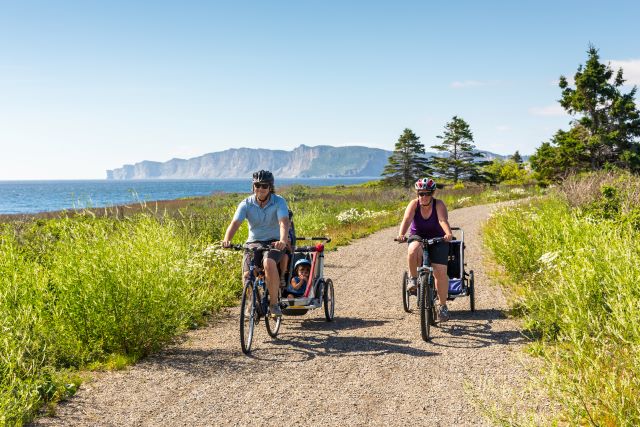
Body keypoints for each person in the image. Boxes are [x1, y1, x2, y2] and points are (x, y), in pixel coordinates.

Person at [222, 170, 290, 317]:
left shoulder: (279, 201)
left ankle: (273, 304)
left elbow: (283, 222)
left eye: (264, 186)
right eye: (257, 185)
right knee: (247, 273)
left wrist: (283, 241)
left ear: (270, 187)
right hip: (253, 243)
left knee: (269, 263)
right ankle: (251, 302)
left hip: (274, 242)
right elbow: (235, 223)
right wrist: (227, 239)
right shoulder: (246, 203)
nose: (260, 189)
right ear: (253, 186)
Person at [396, 178, 454, 322]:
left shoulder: (438, 204)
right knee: (412, 249)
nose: (424, 197)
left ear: (432, 193)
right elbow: (407, 219)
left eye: (427, 193)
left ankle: (442, 306)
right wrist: (401, 234)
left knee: (440, 272)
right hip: (418, 236)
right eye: (421, 194)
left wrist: (448, 234)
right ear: (417, 194)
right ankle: (413, 279)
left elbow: (442, 220)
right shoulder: (414, 204)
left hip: (438, 238)